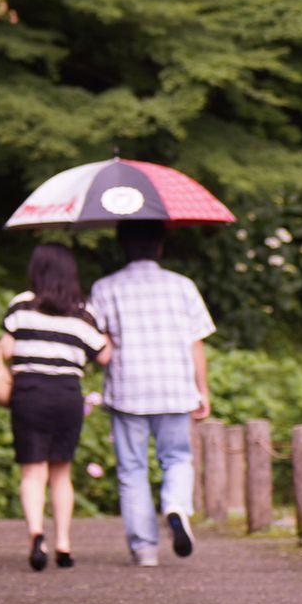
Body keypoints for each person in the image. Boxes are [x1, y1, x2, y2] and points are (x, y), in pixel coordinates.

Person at [86, 219, 215, 567]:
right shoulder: (182, 286)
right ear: (159, 247)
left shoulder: (104, 287)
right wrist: (202, 389)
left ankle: (144, 550)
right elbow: (195, 342)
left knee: (132, 470)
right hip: (174, 387)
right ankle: (175, 506)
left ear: (122, 246)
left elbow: (97, 344)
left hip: (128, 390)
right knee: (177, 458)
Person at [0, 244, 110, 571]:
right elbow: (103, 356)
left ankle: (36, 535)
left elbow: (5, 350)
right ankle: (63, 544)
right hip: (66, 396)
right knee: (61, 473)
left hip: (29, 394)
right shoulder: (83, 314)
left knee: (33, 472)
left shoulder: (21, 305)